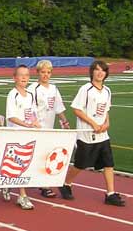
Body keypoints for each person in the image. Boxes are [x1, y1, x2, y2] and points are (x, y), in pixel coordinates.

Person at [58, 60, 125, 206]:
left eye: (103, 70)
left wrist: (106, 123)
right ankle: (65, 183)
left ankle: (110, 194)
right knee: (81, 165)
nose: (100, 73)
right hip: (87, 135)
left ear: (106, 73)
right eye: (97, 70)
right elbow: (76, 109)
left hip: (103, 135)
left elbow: (106, 110)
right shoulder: (86, 89)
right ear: (92, 72)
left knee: (108, 164)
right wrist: (93, 123)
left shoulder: (107, 91)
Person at [27, 60, 69, 198]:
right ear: (38, 72)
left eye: (48, 72)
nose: (46, 75)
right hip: (36, 129)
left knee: (46, 156)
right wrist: (33, 122)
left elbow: (58, 108)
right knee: (32, 156)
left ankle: (44, 185)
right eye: (43, 72)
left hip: (49, 129)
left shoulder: (54, 89)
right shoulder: (33, 89)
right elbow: (28, 108)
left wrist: (64, 120)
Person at [4, 65, 40, 210]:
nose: (24, 78)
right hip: (16, 135)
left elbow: (33, 114)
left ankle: (7, 184)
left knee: (25, 164)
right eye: (21, 75)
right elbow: (11, 116)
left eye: (26, 75)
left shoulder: (30, 95)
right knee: (19, 165)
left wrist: (36, 124)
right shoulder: (13, 94)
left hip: (28, 135)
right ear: (15, 78)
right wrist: (26, 125)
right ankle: (22, 195)